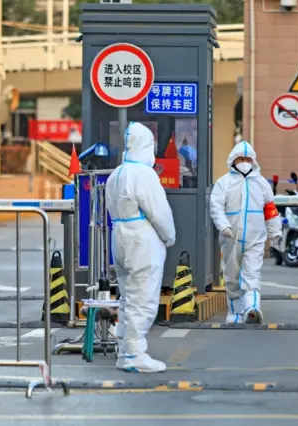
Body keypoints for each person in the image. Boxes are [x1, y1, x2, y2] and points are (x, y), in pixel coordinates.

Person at [106, 122, 176, 373]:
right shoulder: (145, 175)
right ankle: (135, 354)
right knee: (142, 298)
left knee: (127, 297)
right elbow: (159, 211)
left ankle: (124, 350)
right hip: (142, 239)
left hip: (120, 237)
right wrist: (169, 236)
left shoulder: (116, 174)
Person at [209, 141, 282, 324]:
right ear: (233, 160)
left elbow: (270, 210)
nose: (244, 162)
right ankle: (234, 312)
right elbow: (216, 207)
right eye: (240, 158)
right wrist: (223, 226)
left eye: (247, 159)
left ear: (253, 161)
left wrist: (275, 231)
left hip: (255, 237)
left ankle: (252, 308)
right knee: (232, 277)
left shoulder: (262, 184)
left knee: (252, 273)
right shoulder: (223, 183)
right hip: (230, 237)